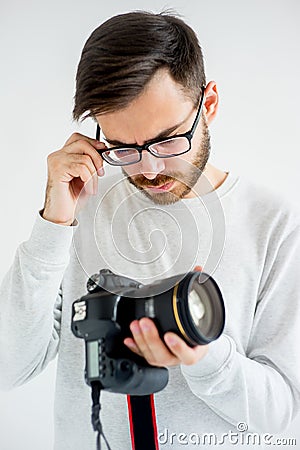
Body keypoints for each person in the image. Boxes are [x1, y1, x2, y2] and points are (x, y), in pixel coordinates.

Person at [1, 10, 300, 450]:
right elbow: (9, 367)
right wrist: (53, 226)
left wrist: (205, 359)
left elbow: (284, 416)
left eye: (167, 139)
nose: (150, 167)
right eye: (124, 147)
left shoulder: (273, 225)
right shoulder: (81, 204)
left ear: (209, 104)